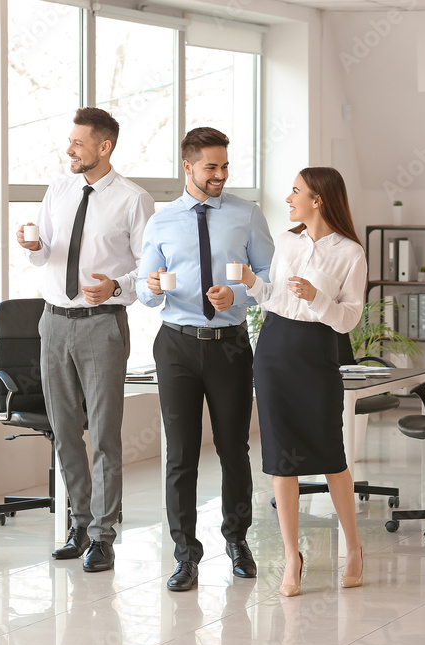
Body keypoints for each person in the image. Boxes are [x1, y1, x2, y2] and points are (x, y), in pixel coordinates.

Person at [16, 107, 154, 572]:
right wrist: (35, 248)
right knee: (64, 432)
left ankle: (103, 535)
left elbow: (147, 270)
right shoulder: (59, 188)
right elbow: (48, 251)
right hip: (53, 321)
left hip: (102, 323)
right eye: (70, 142)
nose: (69, 149)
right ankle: (78, 522)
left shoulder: (134, 200)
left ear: (104, 147)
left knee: (105, 435)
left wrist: (116, 287)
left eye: (78, 143)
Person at [137, 127, 274, 592]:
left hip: (230, 343)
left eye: (224, 166)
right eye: (211, 167)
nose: (220, 175)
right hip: (175, 343)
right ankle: (185, 554)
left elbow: (269, 277)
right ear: (188, 167)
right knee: (180, 454)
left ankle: (237, 541)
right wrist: (151, 287)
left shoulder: (246, 214)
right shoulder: (161, 222)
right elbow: (142, 287)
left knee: (234, 448)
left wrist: (235, 291)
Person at [235, 167, 366, 597]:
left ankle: (354, 548)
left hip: (317, 352)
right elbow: (273, 297)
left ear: (319, 200)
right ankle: (292, 557)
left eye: (296, 192)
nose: (289, 198)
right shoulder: (287, 241)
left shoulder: (350, 253)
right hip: (274, 348)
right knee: (279, 457)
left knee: (331, 454)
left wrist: (318, 298)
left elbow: (349, 320)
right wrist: (253, 283)